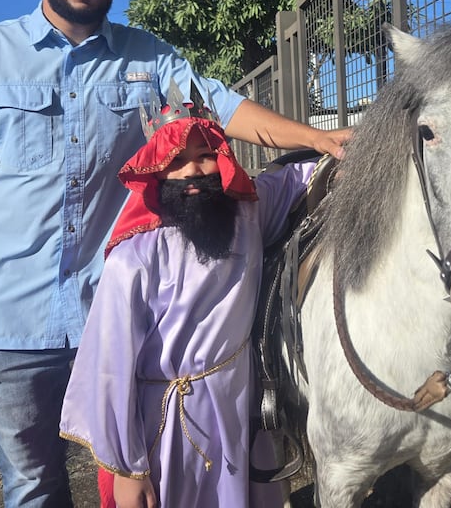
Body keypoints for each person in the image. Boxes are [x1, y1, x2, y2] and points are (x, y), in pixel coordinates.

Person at [0, 0, 347, 507]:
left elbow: (224, 109)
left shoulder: (150, 59)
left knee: (131, 478)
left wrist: (318, 139)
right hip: (12, 322)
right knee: (31, 482)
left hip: (119, 318)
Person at [60, 84, 309, 508]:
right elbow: (108, 368)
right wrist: (128, 469)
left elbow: (301, 177)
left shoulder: (247, 215)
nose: (192, 170)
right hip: (164, 423)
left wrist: (340, 143)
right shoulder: (133, 259)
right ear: (157, 170)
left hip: (236, 404)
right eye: (177, 160)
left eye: (205, 155)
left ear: (223, 159)